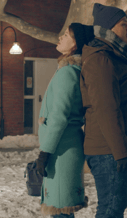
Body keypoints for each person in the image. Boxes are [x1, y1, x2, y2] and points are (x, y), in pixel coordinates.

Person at [80, 3, 127, 218]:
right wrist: (120, 151)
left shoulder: (116, 56)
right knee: (110, 209)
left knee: (116, 206)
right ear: (109, 28)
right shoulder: (100, 58)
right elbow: (106, 109)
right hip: (108, 150)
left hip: (118, 147)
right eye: (124, 24)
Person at [35, 23, 94, 218]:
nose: (60, 37)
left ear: (76, 45)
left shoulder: (67, 73)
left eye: (67, 35)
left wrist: (45, 152)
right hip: (64, 149)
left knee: (61, 211)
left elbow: (59, 117)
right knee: (61, 210)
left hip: (61, 152)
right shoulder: (71, 71)